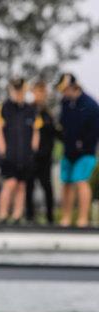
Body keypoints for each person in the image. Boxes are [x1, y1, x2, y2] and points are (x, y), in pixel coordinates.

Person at [0, 78, 40, 225]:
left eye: (21, 90)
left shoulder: (30, 110)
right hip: (10, 154)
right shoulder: (3, 107)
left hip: (25, 155)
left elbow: (36, 131)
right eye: (16, 90)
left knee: (21, 185)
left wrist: (33, 150)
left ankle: (17, 215)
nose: (18, 93)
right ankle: (3, 214)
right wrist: (3, 151)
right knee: (10, 183)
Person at [56, 73, 99, 227]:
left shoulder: (91, 105)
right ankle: (65, 218)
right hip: (68, 152)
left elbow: (94, 131)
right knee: (66, 182)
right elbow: (62, 126)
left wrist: (83, 145)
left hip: (85, 153)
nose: (63, 93)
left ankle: (82, 219)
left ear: (73, 87)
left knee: (81, 181)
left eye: (65, 89)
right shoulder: (65, 103)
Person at [29, 80, 57, 224]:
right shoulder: (28, 110)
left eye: (42, 92)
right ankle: (30, 217)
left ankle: (50, 218)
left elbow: (55, 134)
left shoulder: (49, 114)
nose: (40, 95)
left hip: (45, 157)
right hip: (30, 157)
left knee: (47, 186)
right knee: (29, 186)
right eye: (37, 91)